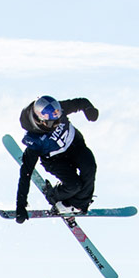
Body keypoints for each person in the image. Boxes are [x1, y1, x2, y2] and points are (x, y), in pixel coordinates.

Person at [12, 94, 100, 223]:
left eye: (59, 119)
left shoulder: (56, 109)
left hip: (76, 146)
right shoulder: (34, 140)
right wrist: (20, 205)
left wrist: (89, 108)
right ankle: (53, 196)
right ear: (41, 121)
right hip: (56, 160)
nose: (58, 123)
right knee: (74, 185)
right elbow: (26, 173)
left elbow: (81, 102)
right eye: (54, 122)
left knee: (90, 167)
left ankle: (76, 205)